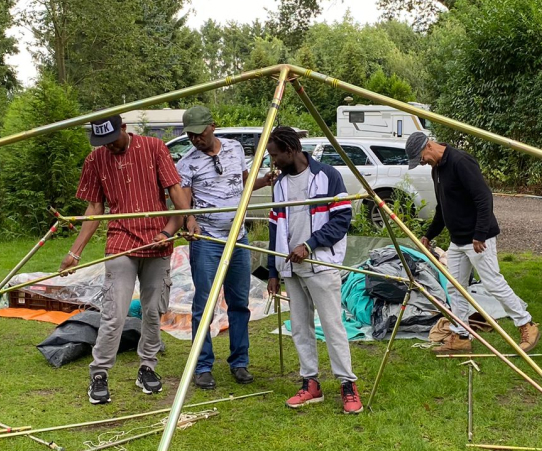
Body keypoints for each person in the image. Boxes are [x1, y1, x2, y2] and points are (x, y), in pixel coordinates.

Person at [60, 114, 186, 404]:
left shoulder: (155, 147)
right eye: (102, 142)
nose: (109, 147)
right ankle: (99, 373)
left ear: (125, 128)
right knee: (114, 313)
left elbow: (175, 191)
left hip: (158, 241)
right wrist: (74, 252)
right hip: (121, 241)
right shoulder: (95, 160)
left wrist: (182, 224)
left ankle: (147, 367)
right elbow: (95, 208)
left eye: (112, 140)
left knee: (153, 311)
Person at [404, 131, 540, 353]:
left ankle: (527, 324)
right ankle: (461, 336)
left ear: (428, 146)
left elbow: (483, 197)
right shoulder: (436, 169)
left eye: (421, 158)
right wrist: (429, 235)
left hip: (478, 239)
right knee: (455, 287)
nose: (422, 163)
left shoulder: (460, 161)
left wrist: (480, 233)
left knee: (492, 282)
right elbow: (443, 208)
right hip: (458, 241)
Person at [176, 106, 275, 389]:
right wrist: (190, 219)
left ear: (213, 126)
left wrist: (263, 181)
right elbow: (182, 199)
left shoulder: (234, 149)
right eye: (190, 135)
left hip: (238, 238)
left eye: (199, 133)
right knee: (204, 304)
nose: (195, 139)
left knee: (239, 302)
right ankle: (203, 365)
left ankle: (239, 362)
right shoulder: (187, 163)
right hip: (207, 240)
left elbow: (242, 184)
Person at [266, 126, 363, 414]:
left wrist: (309, 245)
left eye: (275, 155)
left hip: (321, 264)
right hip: (290, 269)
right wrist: (273, 271)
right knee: (299, 327)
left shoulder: (327, 176)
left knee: (332, 326)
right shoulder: (279, 185)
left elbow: (342, 219)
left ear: (290, 150)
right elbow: (274, 229)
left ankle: (347, 384)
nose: (273, 162)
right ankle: (311, 383)